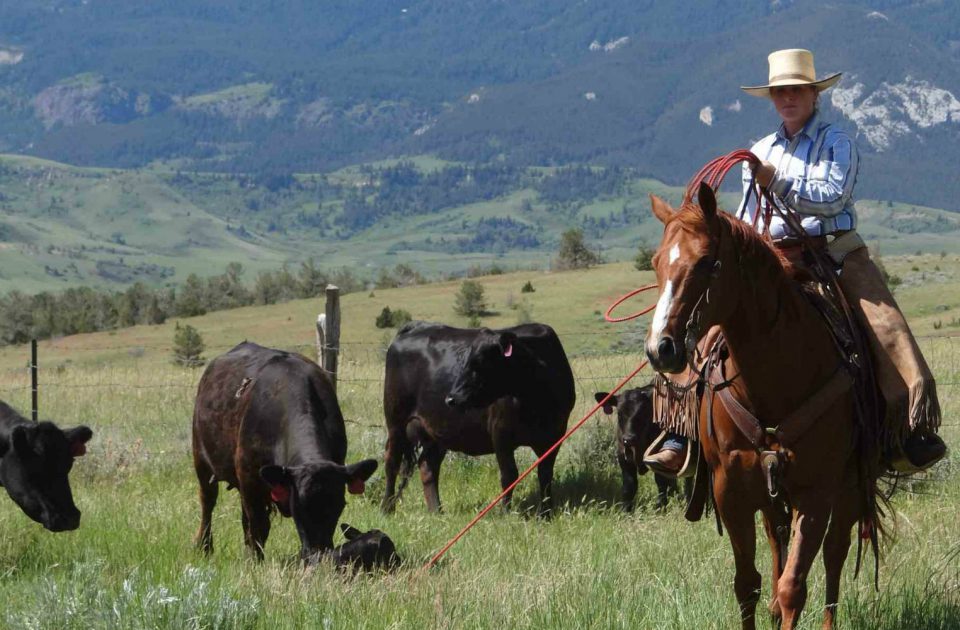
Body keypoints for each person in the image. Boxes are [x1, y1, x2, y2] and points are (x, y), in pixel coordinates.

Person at [644, 48, 946, 475]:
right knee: (703, 320)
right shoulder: (760, 149)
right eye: (780, 92)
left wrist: (778, 181)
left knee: (883, 327)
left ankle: (903, 430)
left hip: (834, 253)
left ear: (813, 94)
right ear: (772, 97)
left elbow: (833, 197)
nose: (788, 98)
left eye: (797, 91)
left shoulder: (837, 141)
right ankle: (684, 430)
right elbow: (750, 215)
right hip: (772, 256)